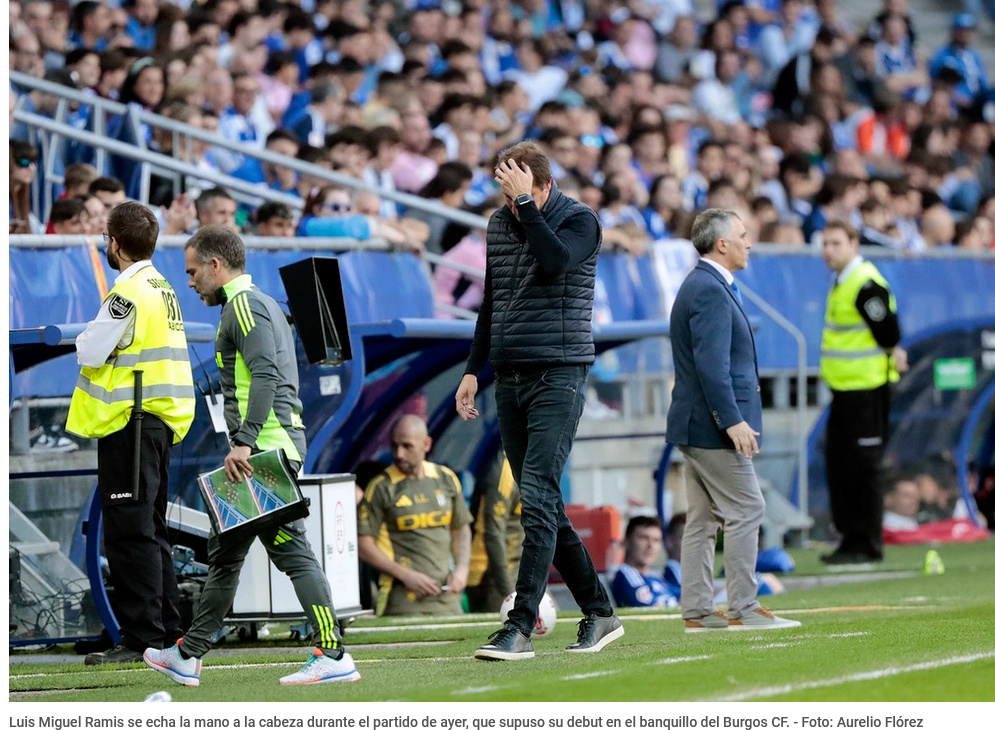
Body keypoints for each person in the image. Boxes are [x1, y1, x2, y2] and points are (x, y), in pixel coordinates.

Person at [143, 226, 359, 687]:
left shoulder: (243, 306)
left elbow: (263, 376)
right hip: (263, 446)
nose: (190, 281)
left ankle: (333, 652)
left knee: (292, 555)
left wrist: (243, 441)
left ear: (215, 266)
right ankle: (189, 653)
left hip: (263, 450)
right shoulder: (254, 304)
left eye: (193, 271)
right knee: (225, 554)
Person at [455, 141, 624, 660]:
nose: (508, 204)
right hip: (508, 375)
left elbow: (555, 263)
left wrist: (526, 207)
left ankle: (520, 623)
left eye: (517, 192)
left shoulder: (581, 221)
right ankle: (600, 612)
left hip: (559, 371)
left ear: (543, 185)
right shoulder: (499, 223)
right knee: (542, 500)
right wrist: (471, 371)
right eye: (504, 195)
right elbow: (493, 301)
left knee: (536, 490)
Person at [65, 201, 196, 664]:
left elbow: (91, 350)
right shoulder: (162, 287)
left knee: (130, 532)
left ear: (114, 242)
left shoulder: (128, 293)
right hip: (159, 422)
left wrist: (85, 339)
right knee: (152, 529)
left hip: (131, 422)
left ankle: (143, 638)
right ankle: (165, 633)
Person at [666, 208, 800, 633]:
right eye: (743, 235)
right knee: (748, 506)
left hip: (698, 422)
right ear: (721, 243)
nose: (749, 242)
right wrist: (732, 420)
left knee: (704, 520)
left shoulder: (709, 284)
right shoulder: (708, 289)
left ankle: (700, 610)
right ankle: (743, 606)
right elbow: (712, 366)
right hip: (710, 424)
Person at [819, 219, 905, 565]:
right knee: (840, 465)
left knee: (865, 468)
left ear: (854, 244)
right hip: (845, 390)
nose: (828, 250)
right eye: (825, 243)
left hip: (867, 391)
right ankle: (850, 540)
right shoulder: (842, 281)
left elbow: (889, 333)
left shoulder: (865, 284)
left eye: (836, 243)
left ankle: (868, 543)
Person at [356, 415, 473, 616]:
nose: (399, 454)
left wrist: (462, 569)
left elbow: (461, 528)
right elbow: (363, 545)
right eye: (394, 446)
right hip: (401, 600)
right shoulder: (381, 487)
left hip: (448, 600)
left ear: (426, 444)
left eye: (407, 446)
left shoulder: (446, 478)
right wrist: (406, 575)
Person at [466, 457, 524, 613]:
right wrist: (509, 592)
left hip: (524, 573)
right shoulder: (506, 469)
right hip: (495, 577)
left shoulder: (533, 463)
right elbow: (493, 533)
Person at [611, 516, 679, 609]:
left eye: (656, 540)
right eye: (644, 538)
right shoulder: (627, 575)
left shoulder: (655, 579)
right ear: (627, 542)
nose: (650, 545)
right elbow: (653, 610)